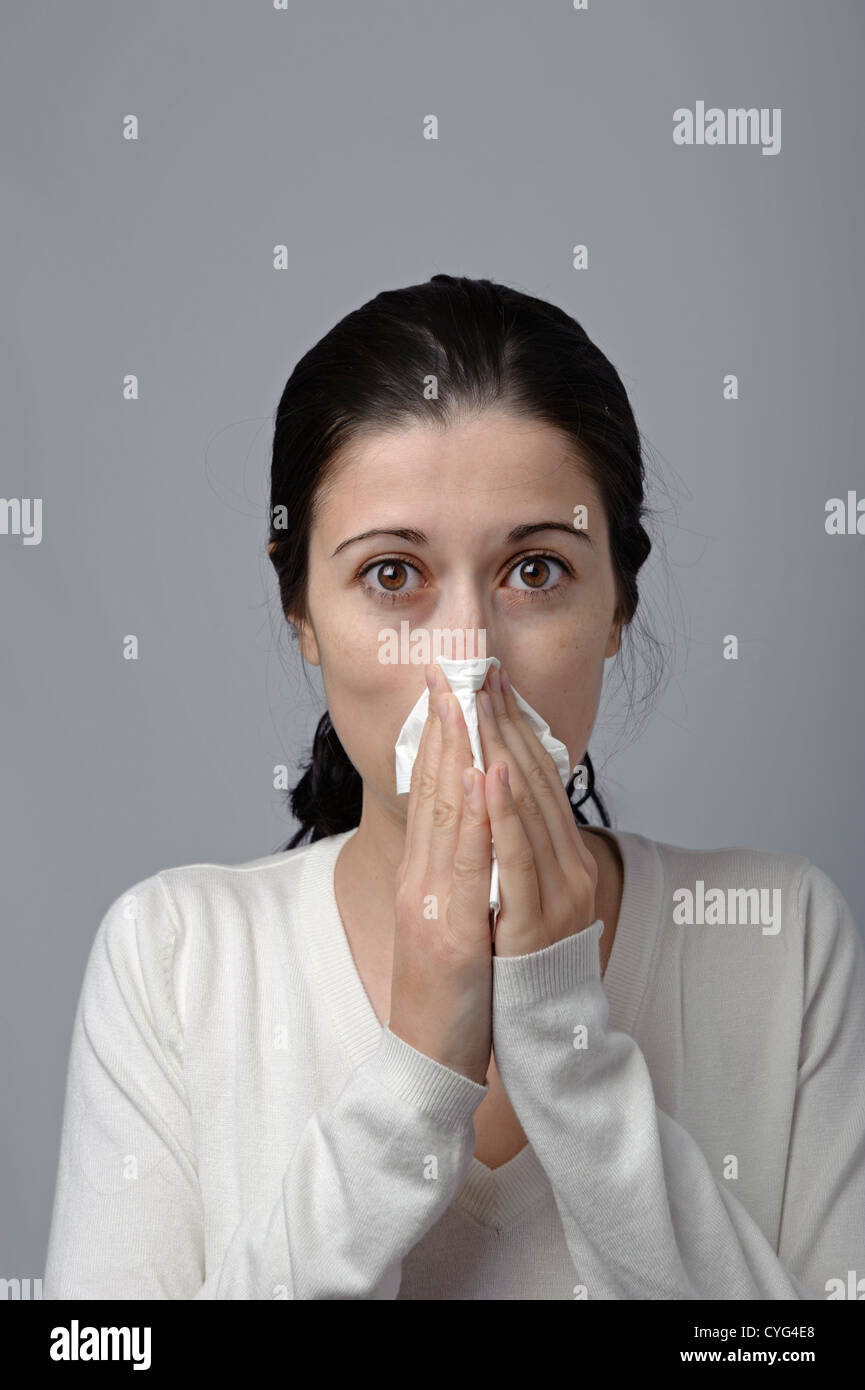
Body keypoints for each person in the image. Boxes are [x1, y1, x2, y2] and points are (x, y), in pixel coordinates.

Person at [44, 274, 865, 1299]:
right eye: (392, 574)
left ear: (618, 602)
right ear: (300, 608)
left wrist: (567, 1050)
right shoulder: (174, 956)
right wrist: (410, 1080)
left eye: (535, 570)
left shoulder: (777, 936)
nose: (468, 658)